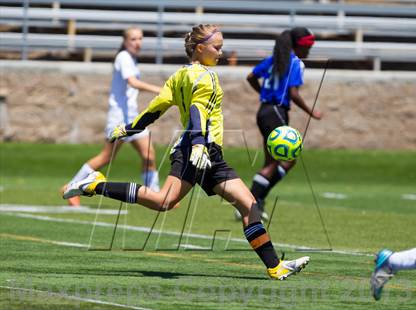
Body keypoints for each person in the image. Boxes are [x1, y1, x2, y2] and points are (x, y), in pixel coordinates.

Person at [64, 24, 310, 280]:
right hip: (198, 150)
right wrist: (198, 144)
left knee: (245, 205)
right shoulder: (205, 76)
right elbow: (196, 112)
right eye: (217, 47)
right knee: (166, 202)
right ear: (200, 48)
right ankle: (95, 184)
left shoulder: (179, 75)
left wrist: (128, 128)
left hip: (205, 152)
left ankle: (274, 266)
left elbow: (154, 110)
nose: (221, 53)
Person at [62, 27, 161, 206]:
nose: (137, 43)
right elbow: (133, 82)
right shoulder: (123, 57)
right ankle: (72, 187)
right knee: (106, 157)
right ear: (125, 41)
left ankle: (154, 195)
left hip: (133, 117)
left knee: (149, 156)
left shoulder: (131, 59)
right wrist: (160, 91)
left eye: (140, 39)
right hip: (120, 119)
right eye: (133, 39)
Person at [235, 27, 323, 221]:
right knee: (283, 161)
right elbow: (293, 93)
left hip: (265, 111)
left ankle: (255, 201)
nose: (309, 51)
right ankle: (250, 202)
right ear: (299, 45)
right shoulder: (295, 63)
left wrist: (263, 94)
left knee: (273, 162)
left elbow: (251, 77)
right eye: (307, 47)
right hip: (276, 112)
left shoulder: (274, 59)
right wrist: (311, 112)